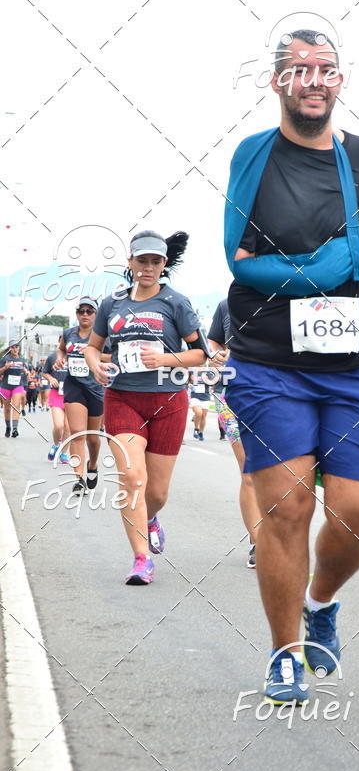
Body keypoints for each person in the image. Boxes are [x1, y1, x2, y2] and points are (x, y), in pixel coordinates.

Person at [223, 29, 359, 702]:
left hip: (354, 361)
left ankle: (320, 600)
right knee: (288, 505)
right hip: (270, 357)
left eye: (325, 70)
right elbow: (240, 259)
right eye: (299, 70)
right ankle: (283, 653)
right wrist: (332, 265)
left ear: (340, 81)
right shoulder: (255, 156)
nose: (313, 81)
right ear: (278, 82)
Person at [84, 230, 225, 586]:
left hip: (168, 401)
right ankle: (141, 558)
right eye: (142, 261)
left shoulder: (176, 302)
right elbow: (92, 346)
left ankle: (149, 518)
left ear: (164, 265)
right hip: (123, 398)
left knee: (157, 493)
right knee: (133, 479)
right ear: (130, 262)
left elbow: (200, 354)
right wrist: (95, 364)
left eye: (156, 262)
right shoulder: (111, 303)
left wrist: (164, 358)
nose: (148, 268)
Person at [208, 298, 262, 569]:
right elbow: (214, 343)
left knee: (283, 472)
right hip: (230, 393)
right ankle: (258, 542)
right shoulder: (227, 304)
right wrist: (216, 355)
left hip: (278, 394)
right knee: (249, 473)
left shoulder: (288, 296)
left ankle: (281, 536)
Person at [55, 298, 110, 494]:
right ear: (77, 313)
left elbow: (112, 357)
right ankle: (78, 478)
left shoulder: (103, 336)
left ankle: (92, 464)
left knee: (93, 438)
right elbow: (62, 349)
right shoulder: (69, 333)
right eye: (81, 311)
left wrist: (92, 353)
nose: (85, 314)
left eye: (90, 311)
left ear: (96, 314)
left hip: (96, 388)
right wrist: (60, 360)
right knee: (78, 432)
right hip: (74, 386)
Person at [44, 348, 70, 463]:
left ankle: (63, 453)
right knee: (59, 425)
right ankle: (55, 445)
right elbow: (45, 372)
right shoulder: (52, 357)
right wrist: (51, 378)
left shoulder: (76, 356)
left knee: (68, 427)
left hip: (72, 394)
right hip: (56, 393)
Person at [0, 341, 27, 437]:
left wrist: (25, 371)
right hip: (5, 386)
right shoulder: (5, 359)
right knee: (7, 409)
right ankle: (8, 427)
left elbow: (26, 372)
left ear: (19, 348)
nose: (15, 349)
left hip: (18, 385)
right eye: (13, 347)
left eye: (17, 347)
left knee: (16, 405)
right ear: (10, 349)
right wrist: (5, 368)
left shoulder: (22, 359)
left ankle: (15, 429)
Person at [188, 368, 212, 440]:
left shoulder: (208, 372)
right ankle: (196, 429)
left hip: (205, 397)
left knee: (203, 416)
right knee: (199, 413)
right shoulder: (192, 371)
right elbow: (186, 381)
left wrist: (207, 380)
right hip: (195, 396)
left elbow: (212, 383)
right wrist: (189, 384)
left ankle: (201, 433)